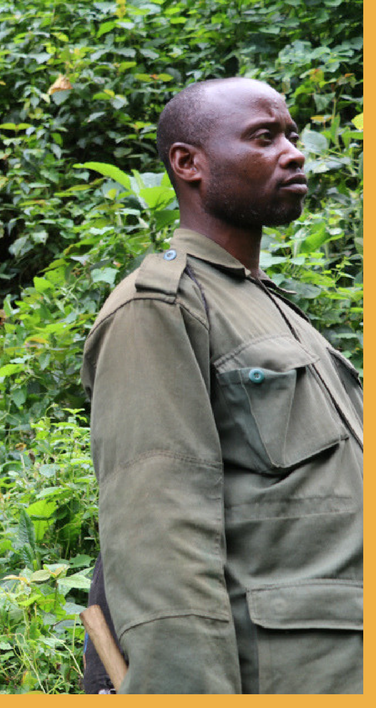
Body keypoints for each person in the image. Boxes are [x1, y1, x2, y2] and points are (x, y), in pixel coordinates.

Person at [80, 77, 362, 693]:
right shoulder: (160, 307)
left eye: (291, 135)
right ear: (189, 164)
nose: (294, 151)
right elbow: (158, 531)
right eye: (264, 137)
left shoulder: (277, 313)